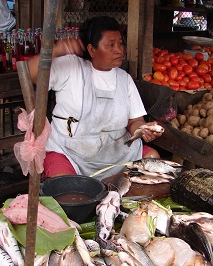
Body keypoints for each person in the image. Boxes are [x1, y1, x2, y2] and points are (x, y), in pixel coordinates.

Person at [27, 16, 163, 180]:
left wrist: (143, 129)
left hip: (118, 154)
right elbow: (31, 74)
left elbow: (134, 121)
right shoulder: (71, 67)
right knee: (66, 186)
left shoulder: (124, 79)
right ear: (92, 50)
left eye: (120, 43)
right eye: (111, 45)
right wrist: (56, 50)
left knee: (153, 160)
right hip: (71, 154)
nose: (119, 50)